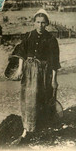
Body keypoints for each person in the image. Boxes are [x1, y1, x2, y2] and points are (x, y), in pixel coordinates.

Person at [11, 9, 61, 141]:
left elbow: (55, 62)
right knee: (28, 99)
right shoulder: (28, 36)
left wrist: (54, 80)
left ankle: (42, 127)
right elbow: (22, 53)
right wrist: (20, 70)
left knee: (43, 98)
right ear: (33, 22)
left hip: (44, 73)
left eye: (43, 23)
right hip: (28, 72)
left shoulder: (51, 39)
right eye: (38, 22)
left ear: (47, 24)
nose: (40, 25)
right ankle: (27, 128)